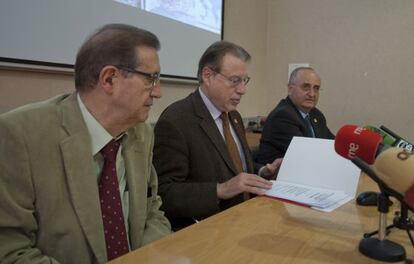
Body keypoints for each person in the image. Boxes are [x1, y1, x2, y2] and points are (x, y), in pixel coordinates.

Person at [0, 24, 171, 263]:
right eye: (151, 79)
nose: (158, 92)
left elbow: (152, 210)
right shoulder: (20, 135)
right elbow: (10, 251)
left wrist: (152, 257)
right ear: (109, 79)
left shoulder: (142, 132)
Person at [153, 41, 282, 231]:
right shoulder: (176, 120)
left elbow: (232, 169)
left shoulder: (234, 117)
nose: (242, 90)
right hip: (207, 232)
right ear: (208, 75)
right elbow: (164, 193)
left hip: (246, 221)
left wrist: (262, 172)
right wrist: (220, 190)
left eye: (244, 80)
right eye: (234, 80)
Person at [256, 67, 335, 165]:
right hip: (275, 176)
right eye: (306, 87)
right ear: (290, 89)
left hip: (308, 170)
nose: (312, 94)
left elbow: (333, 145)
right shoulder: (283, 116)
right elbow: (306, 155)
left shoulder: (316, 115)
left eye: (316, 88)